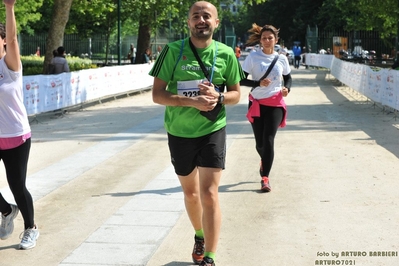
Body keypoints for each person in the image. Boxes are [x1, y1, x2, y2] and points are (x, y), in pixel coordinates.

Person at [149, 1, 244, 265]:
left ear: (216, 23)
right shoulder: (172, 51)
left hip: (212, 129)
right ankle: (199, 234)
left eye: (206, 16)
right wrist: (191, 101)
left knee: (210, 193)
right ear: (189, 22)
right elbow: (157, 95)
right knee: (191, 194)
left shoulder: (226, 53)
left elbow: (237, 94)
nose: (201, 20)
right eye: (195, 16)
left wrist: (220, 97)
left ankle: (210, 257)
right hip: (179, 132)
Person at [0, 0, 39, 249]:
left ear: (2, 40)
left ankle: (31, 228)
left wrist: (9, 7)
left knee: (17, 185)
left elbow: (14, 41)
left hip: (16, 136)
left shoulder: (10, 66)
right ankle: (6, 211)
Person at [240, 23, 292, 192]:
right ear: (260, 41)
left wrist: (287, 89)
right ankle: (265, 159)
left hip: (275, 103)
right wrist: (257, 83)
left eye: (270, 38)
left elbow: (288, 77)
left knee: (269, 139)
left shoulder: (282, 58)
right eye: (264, 38)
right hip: (257, 103)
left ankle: (265, 177)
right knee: (260, 143)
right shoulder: (253, 57)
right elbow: (240, 80)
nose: (267, 40)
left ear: (276, 40)